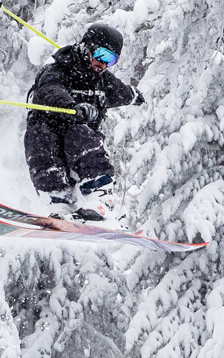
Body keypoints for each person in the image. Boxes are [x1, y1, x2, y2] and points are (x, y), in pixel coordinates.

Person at [24, 23, 144, 223]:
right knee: (39, 137)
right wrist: (72, 107)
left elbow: (121, 92)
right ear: (87, 47)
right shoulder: (59, 69)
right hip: (50, 140)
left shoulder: (103, 80)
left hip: (81, 156)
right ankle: (58, 201)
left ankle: (99, 198)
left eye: (111, 60)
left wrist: (134, 96)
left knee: (79, 132)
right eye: (102, 55)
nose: (104, 64)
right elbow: (49, 89)